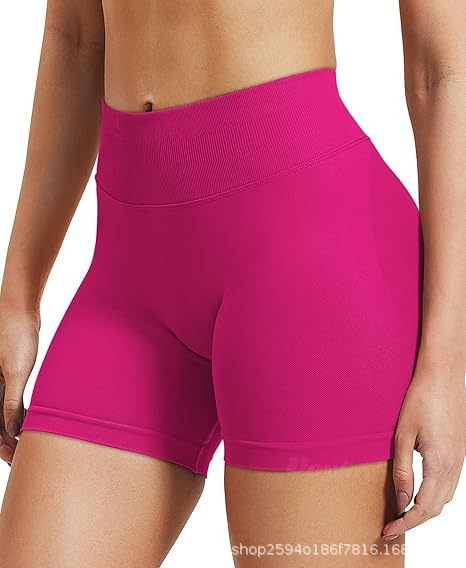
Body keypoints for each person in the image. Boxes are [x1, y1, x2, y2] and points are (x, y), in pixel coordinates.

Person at [0, 1, 464, 566]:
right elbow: (75, 37)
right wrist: (18, 297)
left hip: (309, 269)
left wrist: (446, 366)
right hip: (128, 279)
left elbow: (443, 71)